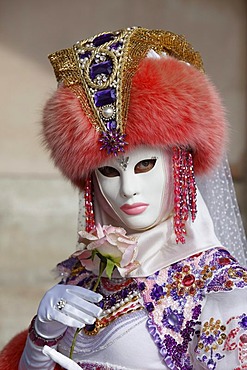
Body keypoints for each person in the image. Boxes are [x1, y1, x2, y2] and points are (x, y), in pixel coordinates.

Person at [1, 26, 247, 370]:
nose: (128, 189)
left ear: (179, 166)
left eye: (145, 164)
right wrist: (42, 334)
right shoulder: (87, 274)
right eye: (109, 172)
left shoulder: (220, 288)